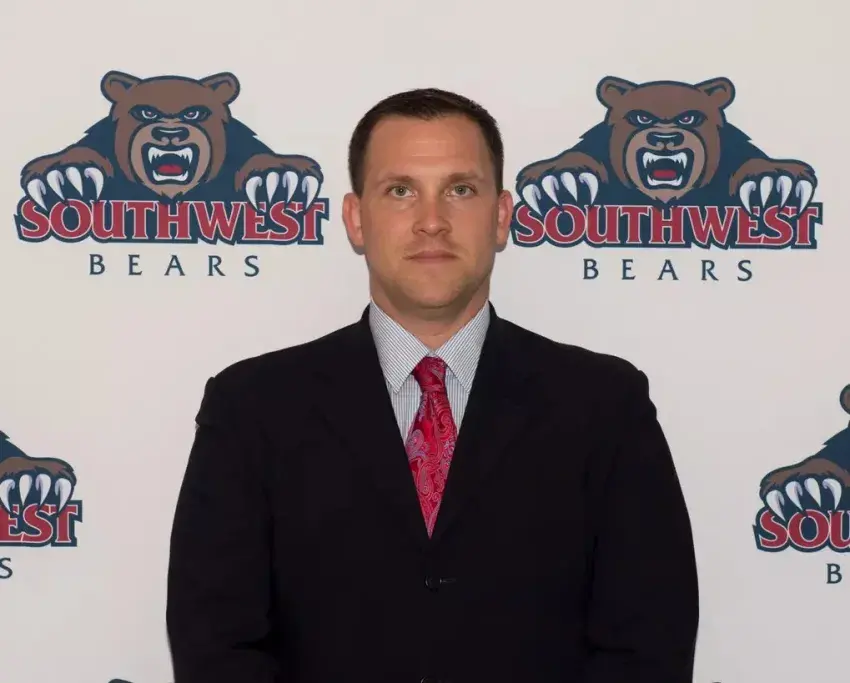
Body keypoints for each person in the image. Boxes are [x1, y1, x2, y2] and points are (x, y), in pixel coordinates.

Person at [166, 87, 699, 683]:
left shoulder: (604, 405)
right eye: (400, 191)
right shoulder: (251, 408)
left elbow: (648, 644)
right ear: (355, 219)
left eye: (460, 190)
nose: (432, 222)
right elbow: (216, 644)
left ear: (501, 216)